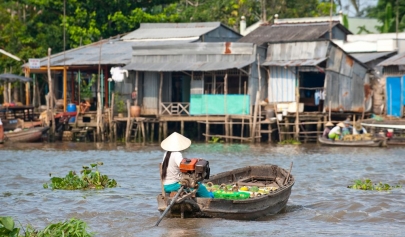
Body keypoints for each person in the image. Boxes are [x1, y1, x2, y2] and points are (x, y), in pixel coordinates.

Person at [160, 132, 213, 198]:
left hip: (166, 185)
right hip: (174, 185)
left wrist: (194, 160)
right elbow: (184, 167)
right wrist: (196, 162)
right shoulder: (177, 154)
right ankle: (209, 200)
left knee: (194, 185)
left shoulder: (166, 153)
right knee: (200, 187)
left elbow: (182, 162)